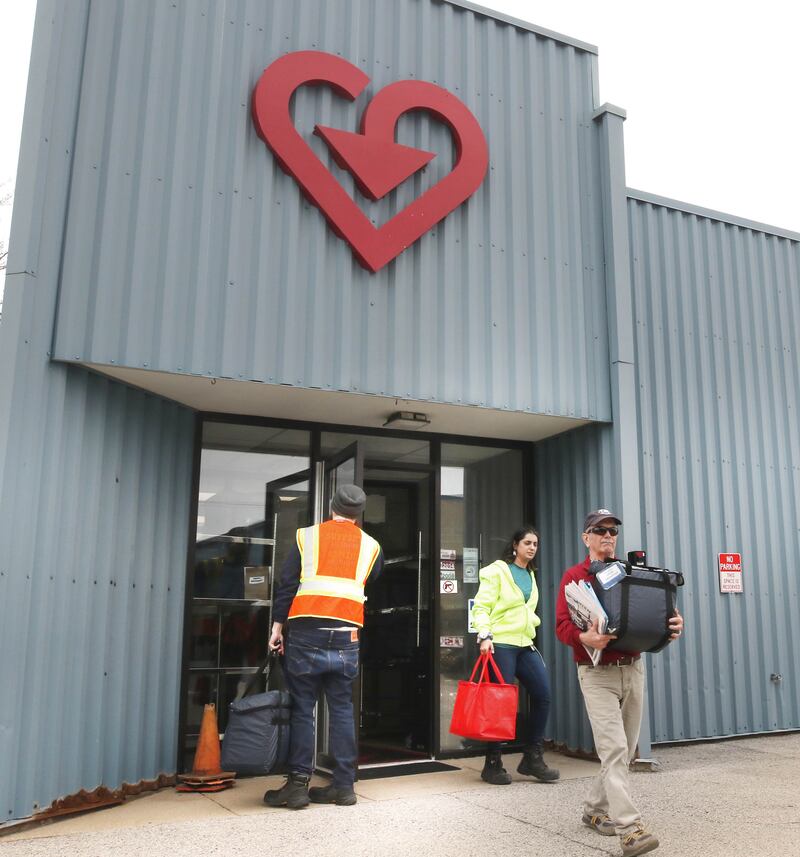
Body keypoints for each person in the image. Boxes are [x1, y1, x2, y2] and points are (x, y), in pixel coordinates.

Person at [555, 509, 684, 857]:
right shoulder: (574, 577)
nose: (608, 536)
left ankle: (594, 811)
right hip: (597, 675)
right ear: (586, 538)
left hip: (633, 669)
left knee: (623, 752)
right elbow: (561, 626)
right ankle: (630, 829)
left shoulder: (631, 574)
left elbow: (652, 613)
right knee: (613, 750)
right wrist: (586, 638)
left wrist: (670, 626)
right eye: (600, 530)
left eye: (612, 531)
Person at [263, 484, 383, 810]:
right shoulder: (372, 546)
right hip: (347, 635)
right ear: (358, 514)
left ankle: (298, 786)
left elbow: (288, 583)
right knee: (342, 709)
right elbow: (369, 580)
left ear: (331, 507)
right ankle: (344, 787)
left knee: (304, 708)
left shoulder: (308, 536)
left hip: (307, 632)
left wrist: (277, 628)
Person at [471, 526, 559, 785]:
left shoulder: (530, 575)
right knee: (501, 703)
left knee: (543, 696)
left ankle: (532, 757)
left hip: (525, 644)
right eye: (527, 543)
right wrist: (485, 635)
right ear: (515, 545)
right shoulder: (498, 571)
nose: (532, 547)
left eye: (535, 544)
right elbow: (482, 606)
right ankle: (492, 764)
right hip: (501, 644)